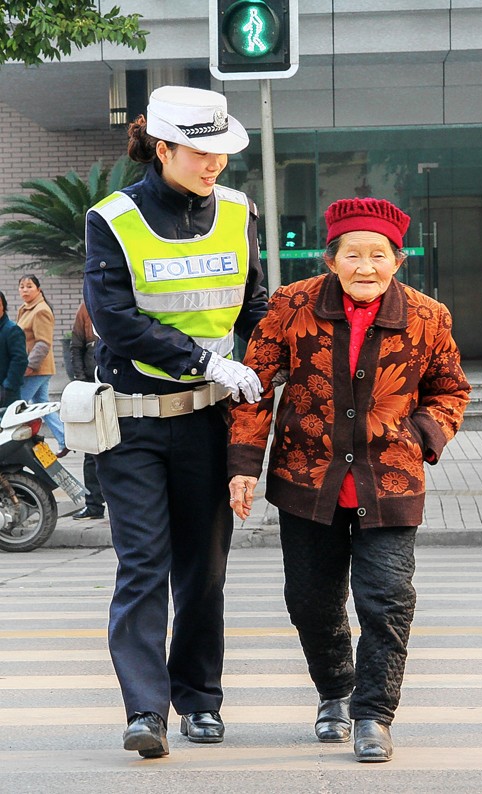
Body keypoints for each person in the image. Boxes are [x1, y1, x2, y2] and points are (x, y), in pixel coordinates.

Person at [228, 197, 471, 763]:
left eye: (378, 255)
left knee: (387, 600)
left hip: (389, 483)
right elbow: (255, 386)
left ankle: (373, 714)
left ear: (398, 259)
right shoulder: (292, 305)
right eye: (353, 254)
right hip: (306, 480)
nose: (366, 266)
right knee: (310, 602)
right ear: (331, 257)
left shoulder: (429, 316)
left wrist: (422, 436)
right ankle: (334, 694)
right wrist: (243, 467)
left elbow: (451, 388)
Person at [83, 85, 267, 758]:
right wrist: (205, 361)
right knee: (143, 565)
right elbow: (116, 321)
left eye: (221, 150)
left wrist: (283, 351)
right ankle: (145, 711)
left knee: (204, 569)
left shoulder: (239, 210)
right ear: (162, 148)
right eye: (199, 151)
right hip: (132, 422)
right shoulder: (113, 219)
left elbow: (254, 304)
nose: (214, 163)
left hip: (208, 423)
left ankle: (200, 701)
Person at [16, 275, 67, 456]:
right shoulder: (25, 309)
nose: (25, 290)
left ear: (38, 289)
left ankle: (27, 448)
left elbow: (43, 343)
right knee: (41, 405)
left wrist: (28, 367)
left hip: (36, 369)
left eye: (29, 286)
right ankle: (65, 439)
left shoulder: (41, 310)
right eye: (22, 286)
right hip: (35, 369)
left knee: (17, 407)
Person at [70, 300, 106, 521]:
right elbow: (76, 347)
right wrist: (80, 380)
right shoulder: (85, 309)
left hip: (120, 389)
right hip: (90, 389)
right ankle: (94, 504)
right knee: (90, 450)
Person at [0, 290, 28, 409]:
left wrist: (8, 386)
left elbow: (20, 360)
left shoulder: (12, 330)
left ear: (3, 307)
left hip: (5, 392)